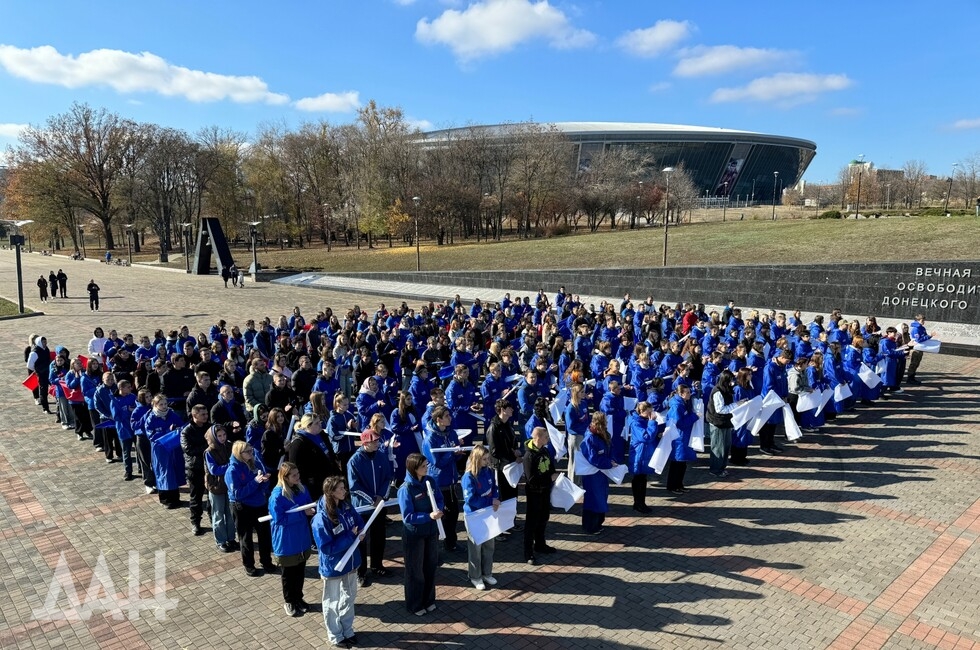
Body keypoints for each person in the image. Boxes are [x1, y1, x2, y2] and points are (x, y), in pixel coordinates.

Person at [312, 476, 365, 648]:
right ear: (331, 492)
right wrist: (351, 536)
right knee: (331, 602)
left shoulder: (346, 506)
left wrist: (361, 531)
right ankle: (335, 635)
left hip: (351, 562)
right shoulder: (321, 519)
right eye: (341, 488)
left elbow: (358, 520)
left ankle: (347, 630)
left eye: (344, 487)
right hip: (334, 566)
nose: (345, 491)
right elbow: (326, 548)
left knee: (349, 597)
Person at [397, 453, 444, 617]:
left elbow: (439, 498)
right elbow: (408, 516)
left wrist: (438, 509)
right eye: (423, 466)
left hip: (431, 531)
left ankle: (429, 600)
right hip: (414, 535)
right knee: (415, 571)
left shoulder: (430, 481)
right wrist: (428, 516)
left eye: (426, 465)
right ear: (414, 468)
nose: (427, 468)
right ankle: (415, 604)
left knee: (430, 567)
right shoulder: (406, 489)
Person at [347, 428, 394, 588]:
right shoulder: (354, 461)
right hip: (362, 508)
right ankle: (361, 572)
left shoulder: (381, 456)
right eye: (374, 441)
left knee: (379, 537)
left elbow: (388, 478)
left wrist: (381, 496)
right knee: (361, 540)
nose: (377, 443)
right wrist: (371, 499)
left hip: (379, 507)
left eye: (377, 440)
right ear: (365, 443)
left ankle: (377, 566)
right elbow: (354, 486)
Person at [269, 462, 315, 617]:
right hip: (286, 541)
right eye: (294, 475)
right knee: (288, 574)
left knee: (300, 572)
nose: (298, 477)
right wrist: (302, 513)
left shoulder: (302, 489)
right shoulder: (277, 496)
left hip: (301, 538)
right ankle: (289, 601)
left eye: (298, 474)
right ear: (285, 477)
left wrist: (311, 510)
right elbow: (279, 519)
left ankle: (298, 598)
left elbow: (309, 503)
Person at [225, 440, 275, 577]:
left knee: (265, 535)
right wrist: (255, 482)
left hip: (259, 504)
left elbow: (263, 486)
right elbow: (237, 494)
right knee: (246, 537)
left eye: (251, 450)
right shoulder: (232, 470)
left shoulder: (255, 463)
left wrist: (264, 481)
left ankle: (266, 561)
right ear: (239, 453)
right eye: (247, 452)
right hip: (242, 507)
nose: (251, 453)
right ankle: (249, 565)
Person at [422, 406, 463, 552]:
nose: (450, 418)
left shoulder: (451, 433)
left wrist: (457, 453)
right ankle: (439, 545)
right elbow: (436, 462)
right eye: (446, 416)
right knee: (441, 515)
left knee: (453, 513)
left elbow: (454, 455)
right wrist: (452, 453)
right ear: (438, 420)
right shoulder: (430, 439)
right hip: (439, 482)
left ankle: (451, 542)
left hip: (451, 480)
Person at [461, 445, 500, 589]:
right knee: (475, 548)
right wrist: (490, 502)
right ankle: (475, 576)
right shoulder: (468, 477)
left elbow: (494, 488)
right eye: (484, 459)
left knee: (489, 545)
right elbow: (471, 499)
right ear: (476, 459)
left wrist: (495, 498)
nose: (487, 461)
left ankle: (487, 573)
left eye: (488, 458)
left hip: (488, 514)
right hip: (474, 516)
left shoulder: (488, 471)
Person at [522, 426, 558, 565]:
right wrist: (549, 479)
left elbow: (550, 467)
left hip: (545, 491)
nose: (548, 438)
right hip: (534, 493)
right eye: (545, 436)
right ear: (538, 438)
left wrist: (554, 475)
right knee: (532, 522)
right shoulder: (529, 456)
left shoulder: (544, 450)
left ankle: (540, 544)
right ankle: (528, 552)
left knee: (543, 518)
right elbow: (531, 479)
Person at [580, 412, 615, 534]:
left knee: (601, 497)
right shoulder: (590, 438)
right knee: (593, 499)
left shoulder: (602, 434)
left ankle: (598, 522)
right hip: (592, 475)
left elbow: (609, 450)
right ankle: (590, 526)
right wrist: (609, 463)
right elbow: (593, 459)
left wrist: (611, 460)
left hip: (601, 473)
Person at [204, 425, 236, 553]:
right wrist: (230, 466)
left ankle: (231, 538)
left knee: (230, 513)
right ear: (213, 437)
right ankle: (221, 541)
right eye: (219, 436)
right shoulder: (209, 451)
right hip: (216, 486)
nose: (222, 438)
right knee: (218, 515)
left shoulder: (230, 446)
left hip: (229, 485)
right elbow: (214, 470)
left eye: (224, 435)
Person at [181, 404, 211, 536]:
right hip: (195, 468)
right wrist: (207, 446)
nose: (206, 416)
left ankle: (213, 519)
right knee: (196, 498)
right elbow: (189, 450)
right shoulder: (186, 431)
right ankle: (196, 522)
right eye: (202, 414)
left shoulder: (209, 427)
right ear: (194, 415)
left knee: (212, 496)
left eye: (206, 413)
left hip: (209, 467)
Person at [666, 384, 699, 494]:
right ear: (681, 394)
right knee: (677, 463)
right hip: (679, 437)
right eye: (687, 392)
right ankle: (673, 486)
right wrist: (694, 417)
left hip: (683, 436)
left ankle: (679, 484)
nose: (690, 394)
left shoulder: (683, 403)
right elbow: (679, 423)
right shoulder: (677, 406)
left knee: (682, 463)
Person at [627, 401, 660, 512]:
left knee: (642, 479)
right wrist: (652, 423)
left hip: (644, 454)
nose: (651, 414)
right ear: (642, 411)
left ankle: (641, 503)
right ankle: (638, 503)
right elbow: (646, 437)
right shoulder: (636, 423)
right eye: (649, 412)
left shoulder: (644, 420)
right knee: (638, 479)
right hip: (639, 454)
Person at [705, 370, 738, 477]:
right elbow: (720, 409)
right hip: (718, 423)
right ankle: (715, 469)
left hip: (726, 422)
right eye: (731, 380)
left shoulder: (726, 389)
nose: (732, 383)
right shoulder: (718, 392)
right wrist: (736, 405)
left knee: (726, 446)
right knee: (718, 448)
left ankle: (721, 467)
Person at [906, 314, 935, 384]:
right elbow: (918, 340)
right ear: (917, 320)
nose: (924, 321)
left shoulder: (922, 328)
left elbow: (924, 336)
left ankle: (912, 377)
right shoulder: (916, 329)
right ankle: (910, 378)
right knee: (914, 363)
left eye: (924, 320)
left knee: (917, 363)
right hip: (916, 348)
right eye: (922, 320)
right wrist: (929, 336)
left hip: (921, 348)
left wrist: (929, 336)